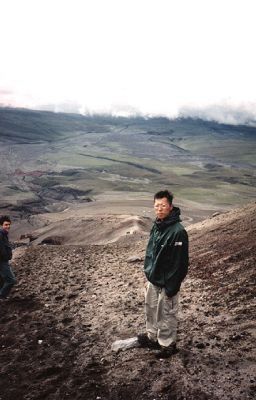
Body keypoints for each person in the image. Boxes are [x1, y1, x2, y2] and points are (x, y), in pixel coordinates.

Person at [138, 190, 189, 358]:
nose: (159, 209)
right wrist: (149, 273)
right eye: (156, 206)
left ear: (171, 207)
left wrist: (171, 287)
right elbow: (150, 252)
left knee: (166, 313)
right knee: (151, 309)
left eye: (163, 206)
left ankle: (168, 345)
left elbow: (180, 263)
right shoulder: (157, 226)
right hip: (154, 279)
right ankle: (152, 337)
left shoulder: (177, 231)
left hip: (167, 283)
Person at [0, 215, 17, 300]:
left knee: (2, 280)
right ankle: (2, 296)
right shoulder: (1, 235)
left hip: (4, 261)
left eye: (9, 224)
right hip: (2, 261)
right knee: (11, 280)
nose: (8, 226)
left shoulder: (4, 234)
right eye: (6, 224)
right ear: (1, 225)